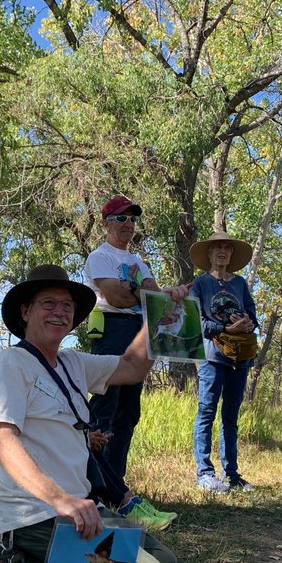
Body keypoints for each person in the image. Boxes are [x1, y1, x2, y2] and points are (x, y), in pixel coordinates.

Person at [0, 264, 178, 563]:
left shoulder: (73, 363)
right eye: (49, 303)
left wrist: (158, 316)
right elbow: (1, 441)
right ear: (26, 311)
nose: (59, 312)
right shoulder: (9, 364)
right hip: (36, 515)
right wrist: (62, 500)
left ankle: (48, 560)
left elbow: (131, 368)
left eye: (67, 305)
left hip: (82, 511)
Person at [84, 195, 190, 485]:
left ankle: (116, 481)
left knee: (129, 409)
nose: (128, 224)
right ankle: (93, 480)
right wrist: (140, 293)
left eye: (132, 218)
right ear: (106, 223)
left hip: (137, 328)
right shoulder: (99, 257)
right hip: (110, 327)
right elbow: (115, 297)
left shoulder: (139, 262)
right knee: (107, 400)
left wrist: (172, 293)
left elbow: (152, 295)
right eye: (121, 218)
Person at [188, 232, 259, 492]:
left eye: (227, 248)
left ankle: (232, 474)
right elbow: (196, 322)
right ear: (208, 253)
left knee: (231, 416)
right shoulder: (200, 284)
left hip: (240, 357)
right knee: (206, 411)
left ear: (231, 254)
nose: (222, 252)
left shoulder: (239, 283)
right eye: (217, 247)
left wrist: (249, 323)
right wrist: (224, 329)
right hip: (212, 358)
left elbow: (252, 313)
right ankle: (204, 473)